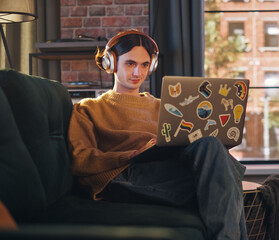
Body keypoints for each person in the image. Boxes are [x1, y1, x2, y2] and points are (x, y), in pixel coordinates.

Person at [68, 29, 248, 240]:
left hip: (165, 171)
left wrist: (219, 146)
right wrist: (131, 154)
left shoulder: (166, 107)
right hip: (122, 176)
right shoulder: (88, 108)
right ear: (111, 63)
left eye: (144, 65)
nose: (138, 73)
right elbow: (79, 160)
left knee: (211, 148)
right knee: (224, 185)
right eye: (130, 64)